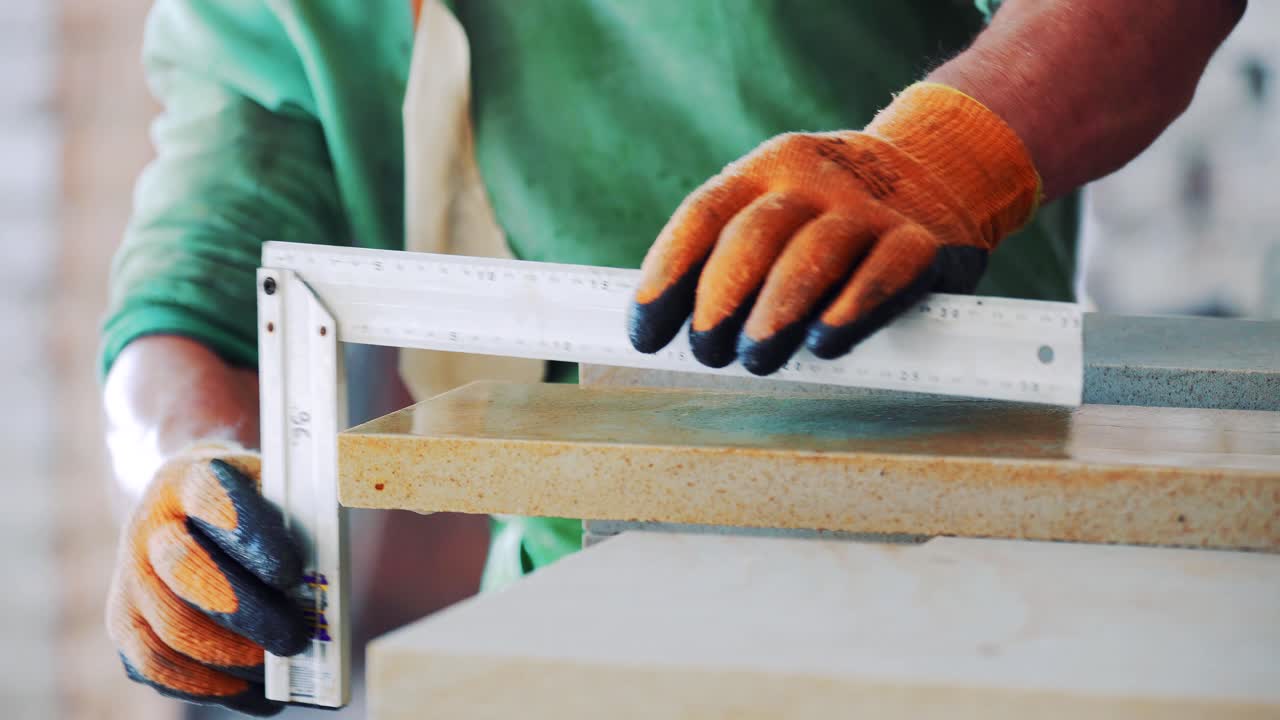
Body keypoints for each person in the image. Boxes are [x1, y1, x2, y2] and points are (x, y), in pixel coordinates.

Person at [101, 0, 1246, 715]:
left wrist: (946, 154)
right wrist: (183, 472)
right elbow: (191, 277)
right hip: (569, 612)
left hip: (990, 577)